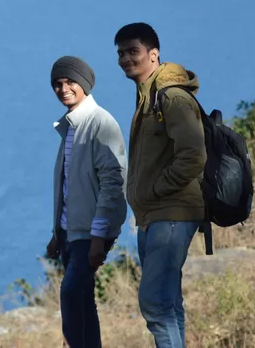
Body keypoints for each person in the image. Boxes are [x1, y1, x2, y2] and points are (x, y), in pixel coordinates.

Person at [115, 22, 206, 348]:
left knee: (154, 302)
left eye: (133, 51)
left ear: (154, 54)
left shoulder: (172, 97)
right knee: (168, 303)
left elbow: (194, 156)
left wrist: (155, 190)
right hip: (153, 215)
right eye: (121, 53)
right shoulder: (147, 97)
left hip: (172, 212)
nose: (126, 58)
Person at [46, 56, 127, 348]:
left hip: (90, 233)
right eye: (57, 83)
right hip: (72, 233)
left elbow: (112, 182)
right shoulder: (71, 126)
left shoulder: (100, 123)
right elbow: (70, 185)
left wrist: (98, 236)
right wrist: (57, 233)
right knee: (82, 299)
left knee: (70, 295)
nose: (63, 88)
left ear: (85, 84)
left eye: (70, 82)